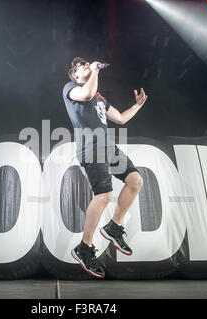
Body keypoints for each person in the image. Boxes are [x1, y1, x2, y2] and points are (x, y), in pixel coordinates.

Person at [62, 57, 148, 278]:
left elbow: (119, 118)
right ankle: (84, 247)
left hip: (108, 147)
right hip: (90, 149)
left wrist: (137, 105)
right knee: (103, 196)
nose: (87, 67)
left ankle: (114, 227)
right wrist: (95, 71)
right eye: (83, 67)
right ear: (76, 75)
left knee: (135, 180)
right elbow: (87, 94)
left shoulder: (100, 97)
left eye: (87, 65)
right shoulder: (71, 88)